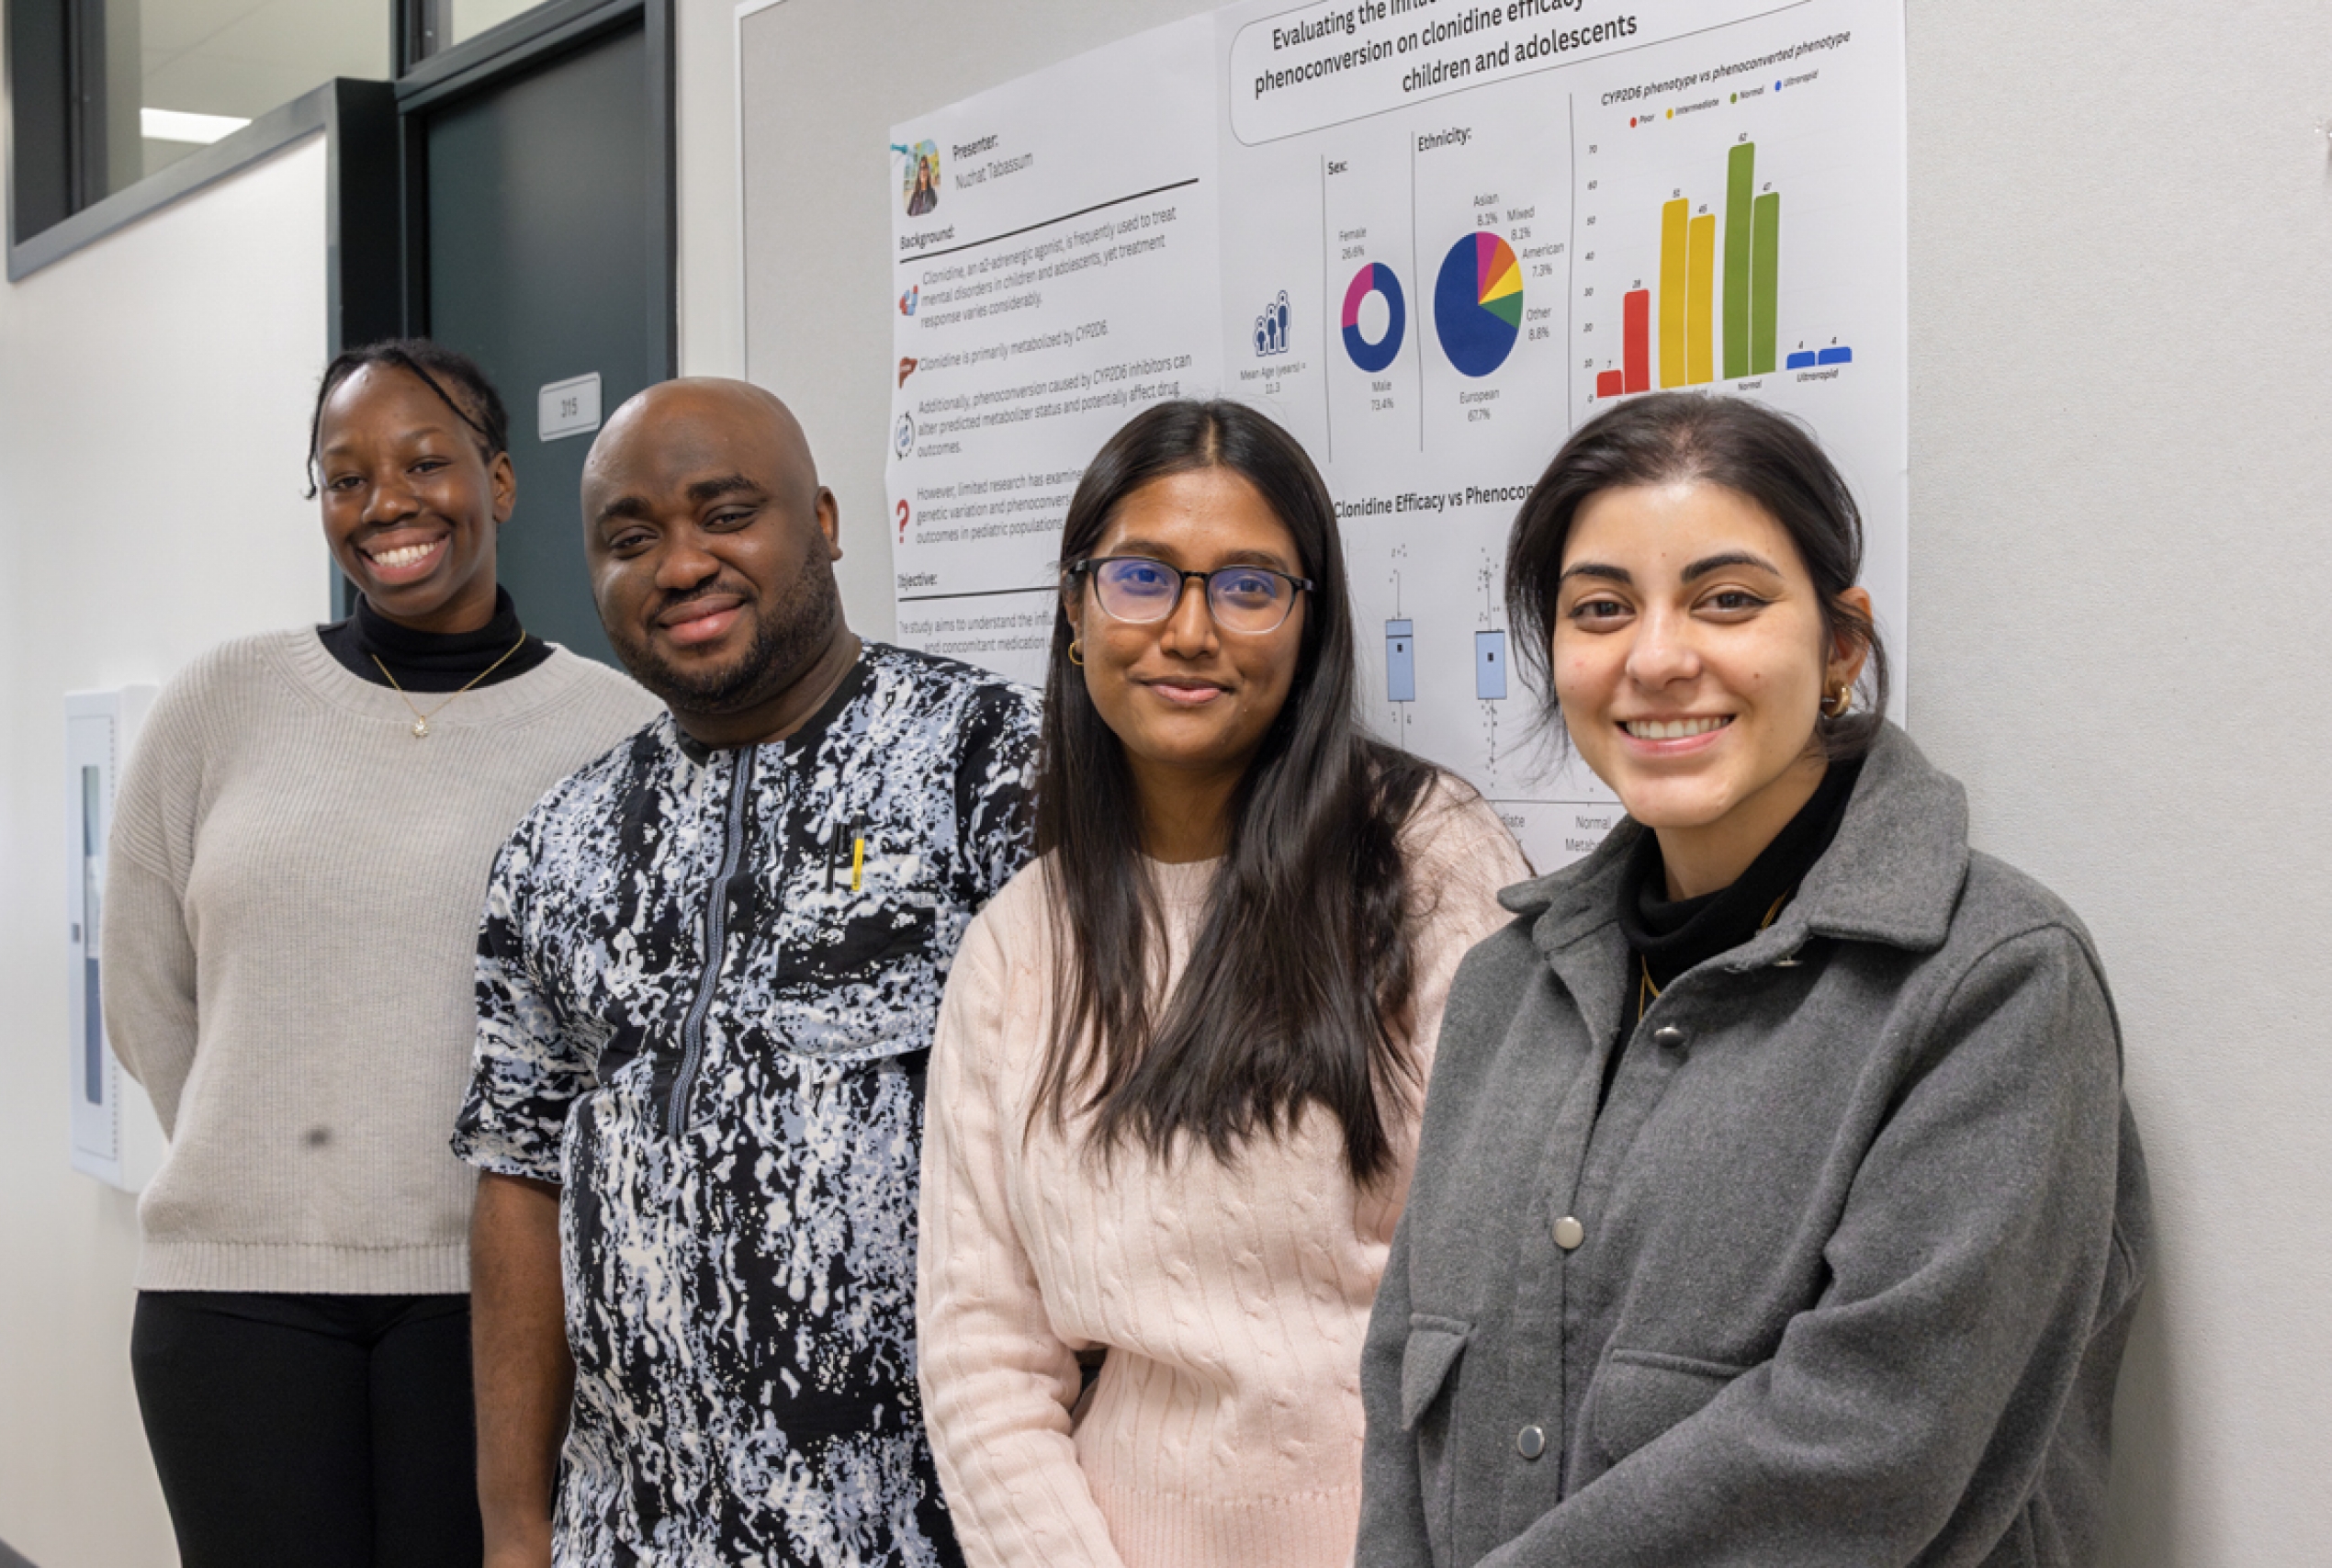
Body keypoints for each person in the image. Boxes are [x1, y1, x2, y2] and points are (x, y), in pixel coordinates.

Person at [1357, 392, 2151, 1567]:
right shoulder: (1503, 988)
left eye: (1728, 600)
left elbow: (1868, 1447)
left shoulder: (1995, 986)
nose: (1659, 657)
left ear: (1839, 646)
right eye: (1600, 610)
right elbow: (1400, 1406)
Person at [917, 400, 1531, 1568]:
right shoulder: (1019, 942)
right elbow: (980, 1354)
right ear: (1074, 607)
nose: (1191, 629)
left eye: (1249, 586)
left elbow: (1500, 1296)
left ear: (1309, 624)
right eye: (1143, 577)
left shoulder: (1428, 862)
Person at [453, 378, 1040, 1568]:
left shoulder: (988, 766)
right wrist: (517, 1526)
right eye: (631, 537)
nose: (680, 563)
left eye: (726, 513)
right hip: (632, 1530)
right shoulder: (555, 844)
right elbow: (519, 1177)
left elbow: (1105, 1148)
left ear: (822, 521)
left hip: (927, 1528)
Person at [101, 339, 660, 1567]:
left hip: (502, 1299)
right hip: (235, 1285)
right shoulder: (223, 704)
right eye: (344, 477)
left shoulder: (618, 728)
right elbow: (144, 973)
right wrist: (258, 1135)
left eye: (423, 461)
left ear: (501, 481)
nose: (385, 502)